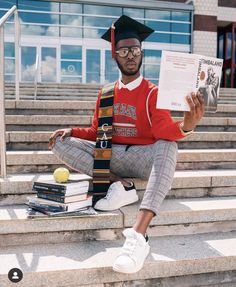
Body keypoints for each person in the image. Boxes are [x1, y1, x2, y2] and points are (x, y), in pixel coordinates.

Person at [49, 15, 205, 274]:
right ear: (115, 55)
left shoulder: (153, 93)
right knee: (60, 143)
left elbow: (163, 130)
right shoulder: (106, 93)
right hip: (112, 156)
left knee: (168, 145)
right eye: (123, 50)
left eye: (135, 49)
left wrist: (186, 126)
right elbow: (98, 132)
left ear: (141, 54)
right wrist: (72, 131)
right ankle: (119, 184)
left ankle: (138, 236)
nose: (130, 55)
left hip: (143, 157)